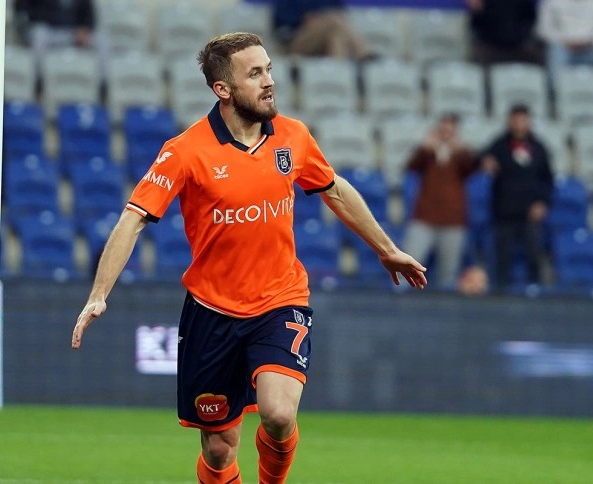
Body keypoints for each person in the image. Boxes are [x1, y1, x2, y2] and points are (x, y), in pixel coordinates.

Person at [71, 33, 427, 483]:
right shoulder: (185, 151)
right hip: (212, 312)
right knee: (220, 449)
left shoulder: (293, 136)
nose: (269, 81)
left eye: (269, 69)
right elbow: (133, 218)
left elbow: (334, 188)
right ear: (223, 89)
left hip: (280, 300)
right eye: (255, 73)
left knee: (279, 413)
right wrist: (99, 293)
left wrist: (387, 249)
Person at [481, 104, 553, 290]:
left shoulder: (538, 148)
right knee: (502, 257)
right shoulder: (499, 145)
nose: (519, 124)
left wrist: (542, 203)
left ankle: (535, 292)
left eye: (523, 120)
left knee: (534, 256)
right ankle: (500, 294)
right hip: (504, 212)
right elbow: (481, 158)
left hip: (530, 212)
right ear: (510, 121)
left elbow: (548, 180)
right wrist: (486, 161)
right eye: (516, 120)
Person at [402, 114, 477, 290]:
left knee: (449, 272)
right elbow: (411, 166)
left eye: (450, 131)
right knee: (408, 265)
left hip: (453, 220)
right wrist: (426, 148)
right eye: (443, 130)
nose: (446, 135)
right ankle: (401, 298)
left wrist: (460, 151)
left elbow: (472, 168)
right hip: (424, 217)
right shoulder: (427, 153)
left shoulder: (461, 155)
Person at [537, 0, 593, 83]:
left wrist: (592, 42)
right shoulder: (551, 3)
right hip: (564, 48)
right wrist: (565, 41)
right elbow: (544, 30)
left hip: (590, 48)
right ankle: (555, 89)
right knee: (555, 52)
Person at [14, 0, 98, 72]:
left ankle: (101, 82)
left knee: (100, 40)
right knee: (39, 35)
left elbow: (89, 14)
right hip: (50, 31)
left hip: (74, 32)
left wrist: (85, 29)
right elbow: (26, 10)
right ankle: (39, 78)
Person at [272, 0, 373, 60]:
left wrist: (320, 19)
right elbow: (282, 24)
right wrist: (303, 20)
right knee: (334, 19)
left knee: (336, 34)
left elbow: (341, 13)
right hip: (298, 41)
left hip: (324, 42)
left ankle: (337, 68)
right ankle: (363, 53)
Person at [466, 0, 542, 66]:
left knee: (539, 61)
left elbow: (530, 18)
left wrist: (520, 35)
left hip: (519, 45)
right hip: (488, 46)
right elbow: (476, 23)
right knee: (475, 65)